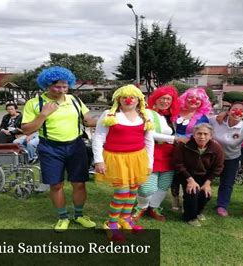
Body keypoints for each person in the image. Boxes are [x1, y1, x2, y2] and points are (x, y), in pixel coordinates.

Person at [21, 66, 97, 232]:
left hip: (76, 145)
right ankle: (62, 217)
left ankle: (79, 215)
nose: (61, 90)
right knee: (56, 185)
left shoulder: (75, 100)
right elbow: (26, 130)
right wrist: (43, 115)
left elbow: (88, 121)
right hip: (50, 147)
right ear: (47, 85)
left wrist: (112, 118)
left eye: (65, 86)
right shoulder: (34, 103)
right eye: (57, 86)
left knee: (79, 183)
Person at [92, 84, 154, 241]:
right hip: (116, 158)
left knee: (132, 191)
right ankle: (111, 223)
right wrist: (98, 160)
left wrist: (149, 162)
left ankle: (125, 219)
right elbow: (98, 137)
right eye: (124, 97)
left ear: (138, 99)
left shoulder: (145, 116)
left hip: (137, 158)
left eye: (132, 97)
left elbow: (149, 140)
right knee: (121, 193)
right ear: (118, 99)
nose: (128, 100)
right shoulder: (109, 115)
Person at [132, 86, 184, 222]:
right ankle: (142, 207)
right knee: (146, 188)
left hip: (169, 155)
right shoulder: (147, 113)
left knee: (164, 184)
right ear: (155, 99)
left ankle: (154, 207)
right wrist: (174, 139)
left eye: (169, 99)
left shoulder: (172, 117)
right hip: (151, 153)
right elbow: (148, 133)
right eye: (163, 98)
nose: (165, 101)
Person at [173, 123, 224, 226]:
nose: (202, 137)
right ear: (194, 134)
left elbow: (218, 167)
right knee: (192, 193)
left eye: (206, 134)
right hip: (186, 175)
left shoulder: (216, 148)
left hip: (205, 177)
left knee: (206, 194)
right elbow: (178, 164)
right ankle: (190, 217)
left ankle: (198, 212)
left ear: (211, 136)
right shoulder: (184, 145)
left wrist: (208, 183)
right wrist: (190, 180)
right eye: (199, 133)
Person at [171, 87, 212, 211]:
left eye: (198, 99)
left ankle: (186, 200)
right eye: (191, 98)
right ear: (185, 99)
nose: (194, 100)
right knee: (172, 175)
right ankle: (174, 199)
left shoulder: (203, 117)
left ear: (202, 102)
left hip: (188, 150)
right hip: (170, 147)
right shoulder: (175, 112)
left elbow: (202, 134)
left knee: (185, 174)